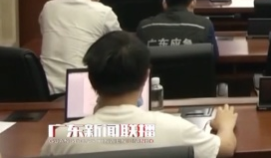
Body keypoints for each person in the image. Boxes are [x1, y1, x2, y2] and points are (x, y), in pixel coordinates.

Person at [40, 31, 237, 157]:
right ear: (145, 77)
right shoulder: (175, 128)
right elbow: (226, 148)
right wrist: (226, 125)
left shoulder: (61, 137)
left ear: (90, 80)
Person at [39, 0, 121, 95]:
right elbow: (120, 48)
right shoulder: (104, 12)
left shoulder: (49, 7)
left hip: (46, 90)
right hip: (83, 93)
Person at [137, 0, 219, 58]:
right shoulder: (204, 26)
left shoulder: (144, 27)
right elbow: (213, 58)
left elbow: (138, 60)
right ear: (193, 3)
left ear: (164, 4)